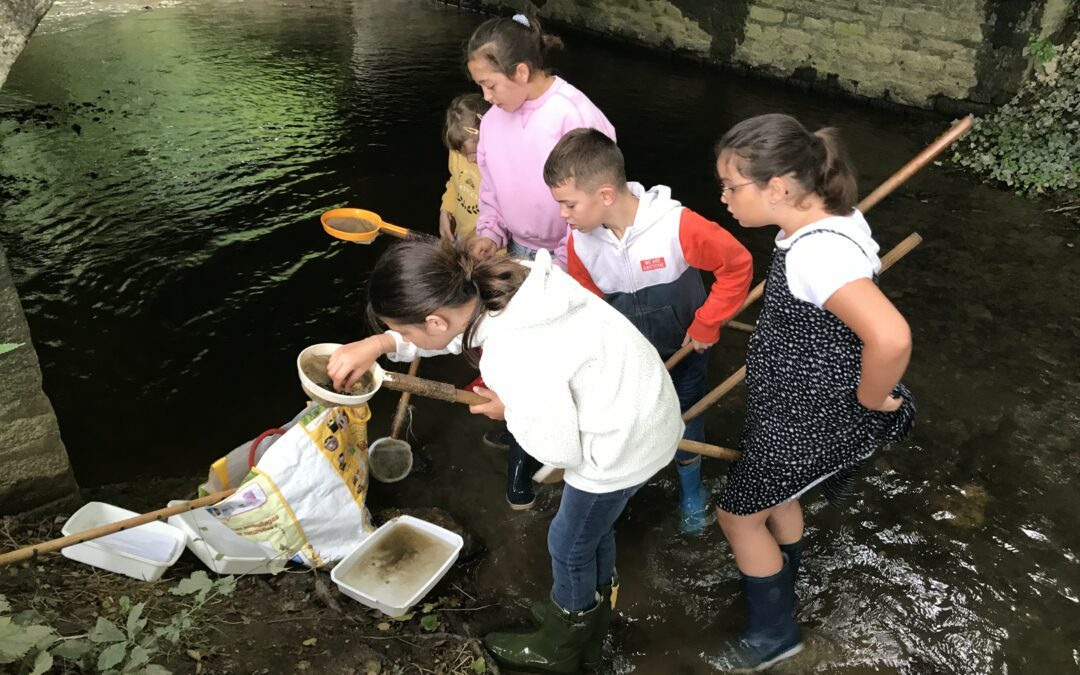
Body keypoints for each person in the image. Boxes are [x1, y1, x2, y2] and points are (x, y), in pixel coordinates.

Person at [326, 238, 682, 673]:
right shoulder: (504, 278)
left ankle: (562, 643)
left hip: (621, 443)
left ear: (435, 319)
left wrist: (507, 408)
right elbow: (451, 337)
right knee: (592, 531)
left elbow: (555, 450)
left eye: (404, 332)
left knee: (567, 543)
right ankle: (590, 614)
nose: (403, 339)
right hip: (644, 403)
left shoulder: (512, 354)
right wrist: (382, 345)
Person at [706, 113, 917, 670]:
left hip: (812, 417)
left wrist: (871, 401)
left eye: (731, 186)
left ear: (778, 188)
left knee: (736, 516)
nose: (723, 197)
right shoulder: (830, 221)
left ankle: (774, 633)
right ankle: (778, 573)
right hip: (794, 406)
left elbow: (891, 338)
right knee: (777, 499)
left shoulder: (815, 254)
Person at [543, 128, 753, 534]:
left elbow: (737, 265)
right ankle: (630, 477)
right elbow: (591, 305)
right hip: (632, 356)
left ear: (605, 195)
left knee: (687, 415)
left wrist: (707, 322)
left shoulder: (677, 225)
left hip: (686, 346)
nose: (563, 215)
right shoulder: (580, 243)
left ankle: (691, 487)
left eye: (568, 204)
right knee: (632, 414)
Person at [463, 12, 617, 506]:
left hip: (570, 254)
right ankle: (517, 425)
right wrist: (489, 231)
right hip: (517, 251)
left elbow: (599, 196)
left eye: (490, 85)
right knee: (510, 349)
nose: (485, 97)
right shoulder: (491, 121)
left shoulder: (574, 115)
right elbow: (490, 187)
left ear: (522, 72)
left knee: (549, 360)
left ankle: (528, 460)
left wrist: (574, 256)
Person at [438, 93, 491, 243]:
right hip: (461, 235)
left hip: (491, 246)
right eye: (462, 153)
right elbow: (455, 182)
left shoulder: (497, 166)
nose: (469, 159)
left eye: (474, 153)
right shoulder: (456, 151)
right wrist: (446, 210)